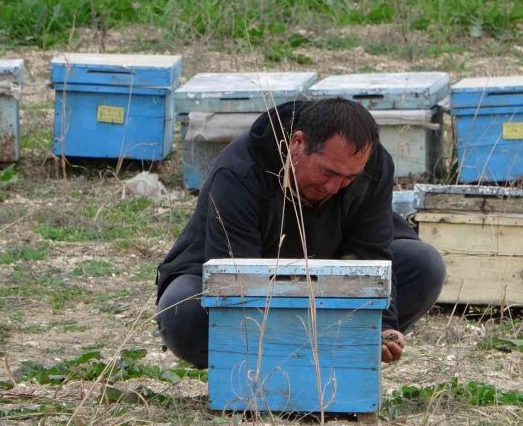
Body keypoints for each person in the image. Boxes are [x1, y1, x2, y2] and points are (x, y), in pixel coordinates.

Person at [155, 97, 446, 369]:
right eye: (327, 173)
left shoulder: (374, 166)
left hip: (330, 276)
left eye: (348, 179)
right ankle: (258, 364)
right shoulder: (239, 171)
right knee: (182, 309)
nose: (334, 188)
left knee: (424, 264)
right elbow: (236, 278)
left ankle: (337, 358)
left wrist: (383, 325)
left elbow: (372, 253)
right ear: (298, 143)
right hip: (238, 276)